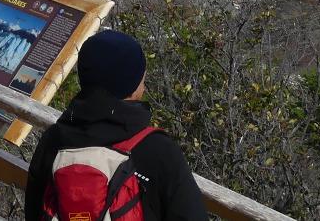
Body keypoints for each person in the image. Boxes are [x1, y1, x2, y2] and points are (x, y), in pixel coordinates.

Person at [24, 30, 207, 221]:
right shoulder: (158, 150)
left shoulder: (54, 138)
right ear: (132, 85)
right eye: (142, 77)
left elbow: (34, 210)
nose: (144, 84)